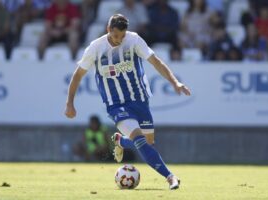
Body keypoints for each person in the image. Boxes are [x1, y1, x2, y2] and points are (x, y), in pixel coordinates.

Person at [65, 14, 191, 190]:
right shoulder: (96, 48)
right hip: (116, 104)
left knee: (149, 143)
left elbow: (156, 62)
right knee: (140, 140)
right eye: (116, 36)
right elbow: (78, 75)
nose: (119, 40)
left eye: (122, 36)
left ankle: (122, 141)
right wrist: (69, 103)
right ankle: (170, 177)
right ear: (108, 30)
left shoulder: (134, 40)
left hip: (139, 100)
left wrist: (175, 82)